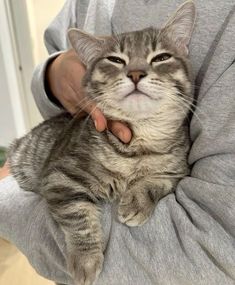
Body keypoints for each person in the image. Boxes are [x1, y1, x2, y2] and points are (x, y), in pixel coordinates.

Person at [1, 0, 235, 284]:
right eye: (117, 62)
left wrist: (153, 186)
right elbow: (58, 181)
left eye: (159, 58)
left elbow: (215, 252)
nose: (136, 74)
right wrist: (52, 73)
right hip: (27, 160)